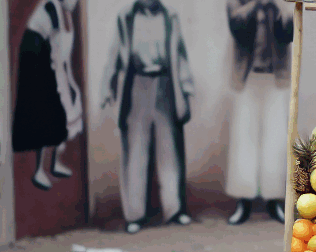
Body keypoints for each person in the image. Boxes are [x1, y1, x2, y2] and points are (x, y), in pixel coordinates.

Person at [101, 0, 195, 234]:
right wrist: (106, 88)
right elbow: (115, 54)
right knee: (136, 149)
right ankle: (134, 215)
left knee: (169, 149)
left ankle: (174, 210)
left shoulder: (169, 15)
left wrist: (186, 87)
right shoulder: (126, 16)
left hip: (165, 84)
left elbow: (180, 53)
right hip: (136, 86)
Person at [224, 0, 293, 225]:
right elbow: (236, 27)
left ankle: (273, 200)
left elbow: (291, 30)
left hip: (275, 79)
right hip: (247, 78)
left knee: (276, 140)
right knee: (244, 139)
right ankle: (243, 200)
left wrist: (276, 4)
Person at [11, 0, 83, 191]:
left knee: (63, 108)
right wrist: (63, 82)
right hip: (35, 56)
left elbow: (64, 55)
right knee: (44, 111)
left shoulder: (67, 15)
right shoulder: (51, 7)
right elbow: (56, 52)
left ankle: (54, 162)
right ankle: (39, 170)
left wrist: (70, 83)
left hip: (50, 58)